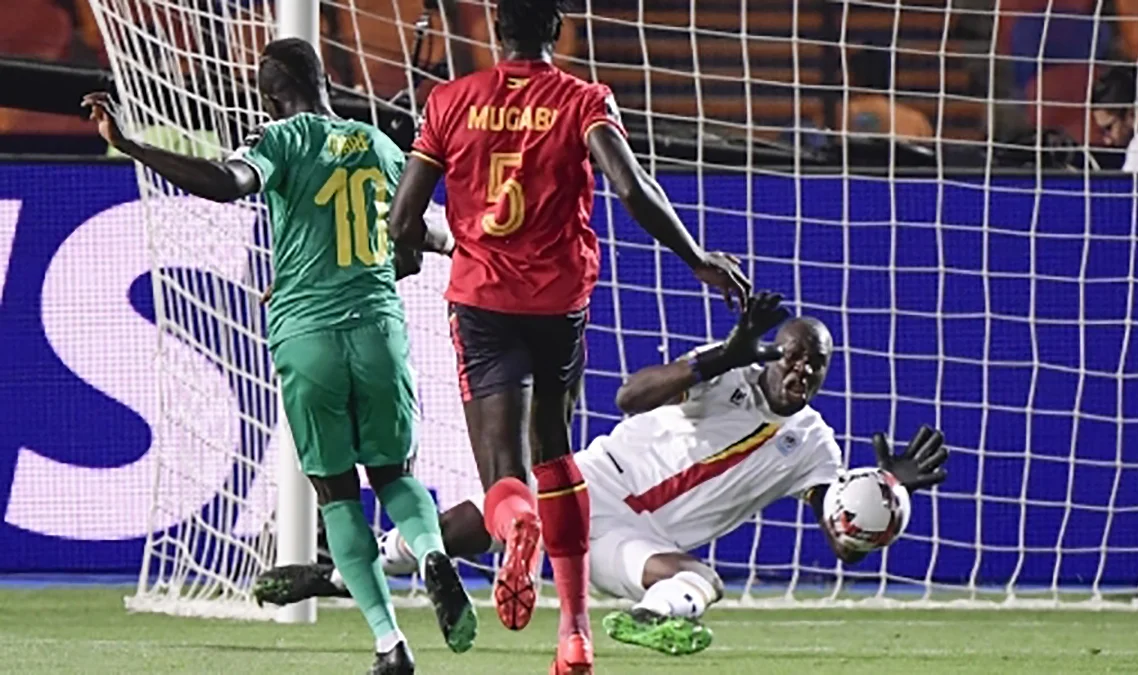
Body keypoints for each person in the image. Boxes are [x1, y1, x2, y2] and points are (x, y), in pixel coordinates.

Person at [254, 293, 950, 657]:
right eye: (794, 355)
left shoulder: (815, 444)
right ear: (774, 351)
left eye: (815, 364)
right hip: (593, 480)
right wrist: (722, 354)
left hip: (634, 538)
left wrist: (885, 491)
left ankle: (648, 619)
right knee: (471, 523)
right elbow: (629, 396)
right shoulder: (726, 370)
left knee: (699, 579)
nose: (802, 370)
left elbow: (838, 532)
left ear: (824, 373)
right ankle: (338, 575)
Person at [83, 38, 475, 675]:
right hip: (378, 331)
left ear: (268, 96)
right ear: (327, 84)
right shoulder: (379, 145)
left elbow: (226, 183)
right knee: (396, 476)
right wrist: (457, 251)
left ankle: (389, 643)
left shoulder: (278, 139)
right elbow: (413, 239)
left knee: (337, 494)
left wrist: (131, 144)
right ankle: (431, 553)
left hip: (308, 336)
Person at [385, 0, 751, 671]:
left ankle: (514, 523)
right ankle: (574, 635)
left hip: (482, 301)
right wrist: (696, 257)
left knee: (503, 475)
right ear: (557, 30)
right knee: (554, 457)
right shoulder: (583, 100)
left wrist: (423, 248)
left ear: (496, 30)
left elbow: (403, 219)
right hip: (557, 304)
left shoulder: (449, 101)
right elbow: (631, 187)